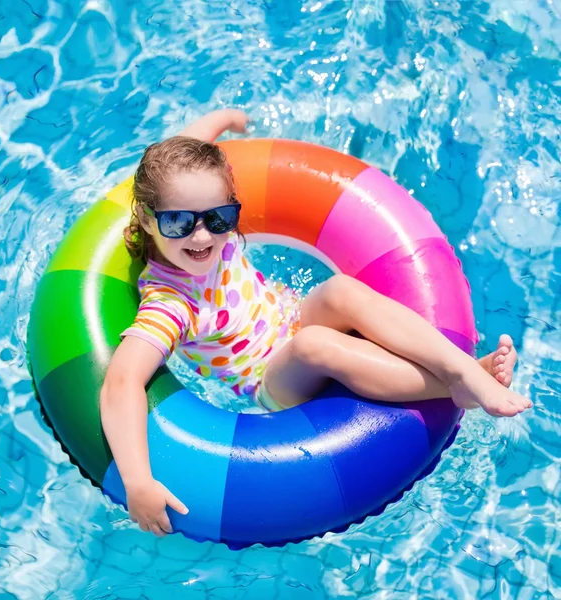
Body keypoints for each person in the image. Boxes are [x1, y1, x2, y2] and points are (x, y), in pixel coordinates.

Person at [100, 109, 533, 538]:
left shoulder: (199, 209)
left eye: (218, 219)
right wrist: (137, 480)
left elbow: (191, 155)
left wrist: (220, 118)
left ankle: (457, 365)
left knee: (340, 291)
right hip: (271, 380)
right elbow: (121, 383)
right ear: (145, 217)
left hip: (292, 318)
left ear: (231, 207)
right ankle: (455, 384)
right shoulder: (170, 302)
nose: (201, 237)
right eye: (178, 222)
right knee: (316, 346)